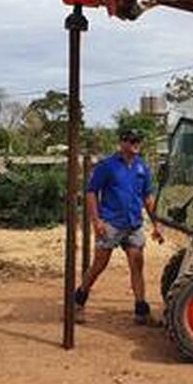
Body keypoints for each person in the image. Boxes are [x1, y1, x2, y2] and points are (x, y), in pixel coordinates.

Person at [75, 127, 164, 324]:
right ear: (122, 143)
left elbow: (148, 197)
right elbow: (91, 192)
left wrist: (156, 223)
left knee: (137, 265)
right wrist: (96, 221)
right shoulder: (107, 166)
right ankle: (78, 300)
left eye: (138, 140)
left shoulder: (142, 167)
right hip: (111, 224)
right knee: (99, 265)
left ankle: (141, 311)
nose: (136, 143)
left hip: (134, 225)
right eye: (132, 140)